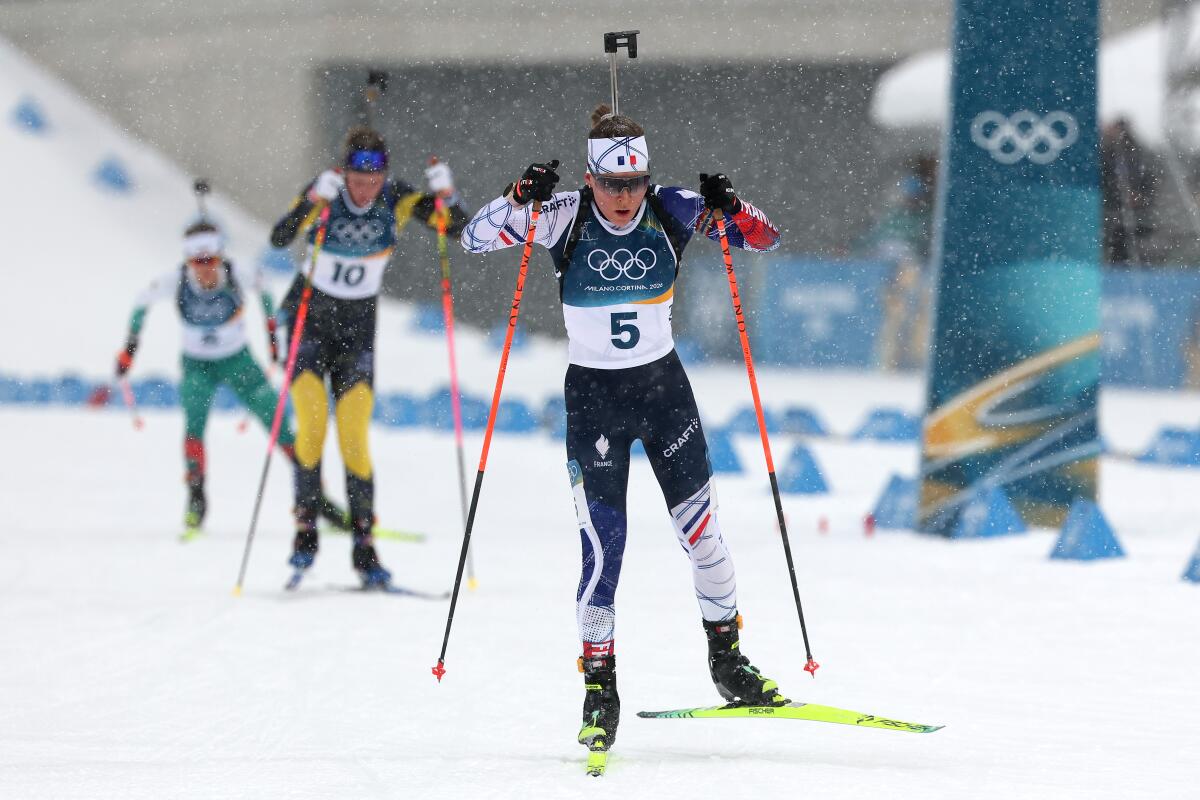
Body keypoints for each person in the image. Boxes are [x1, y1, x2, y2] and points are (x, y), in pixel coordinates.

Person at [461, 104, 787, 758]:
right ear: (589, 178)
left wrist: (733, 204)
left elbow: (763, 238)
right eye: (610, 185)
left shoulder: (672, 207)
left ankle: (727, 661)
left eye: (632, 184)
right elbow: (472, 239)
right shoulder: (562, 216)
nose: (622, 198)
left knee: (703, 536)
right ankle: (599, 688)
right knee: (604, 550)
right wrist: (515, 196)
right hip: (595, 400)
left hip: (664, 393)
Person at [270, 126, 469, 588]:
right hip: (309, 324)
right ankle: (305, 534)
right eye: (357, 175)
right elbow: (280, 237)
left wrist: (447, 194)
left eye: (374, 175)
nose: (365, 186)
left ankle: (364, 548)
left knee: (354, 436)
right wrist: (309, 203)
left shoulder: (397, 198)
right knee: (313, 427)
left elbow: (455, 230)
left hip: (356, 332)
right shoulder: (327, 193)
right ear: (344, 171)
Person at [114, 221, 342, 536]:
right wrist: (130, 348)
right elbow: (142, 301)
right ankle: (196, 498)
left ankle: (316, 498)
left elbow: (264, 290)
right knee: (194, 427)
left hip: (239, 362)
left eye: (211, 261)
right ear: (188, 261)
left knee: (278, 424)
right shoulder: (177, 280)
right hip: (197, 365)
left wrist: (273, 338)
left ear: (220, 256)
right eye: (198, 263)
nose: (205, 271)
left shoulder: (237, 274)